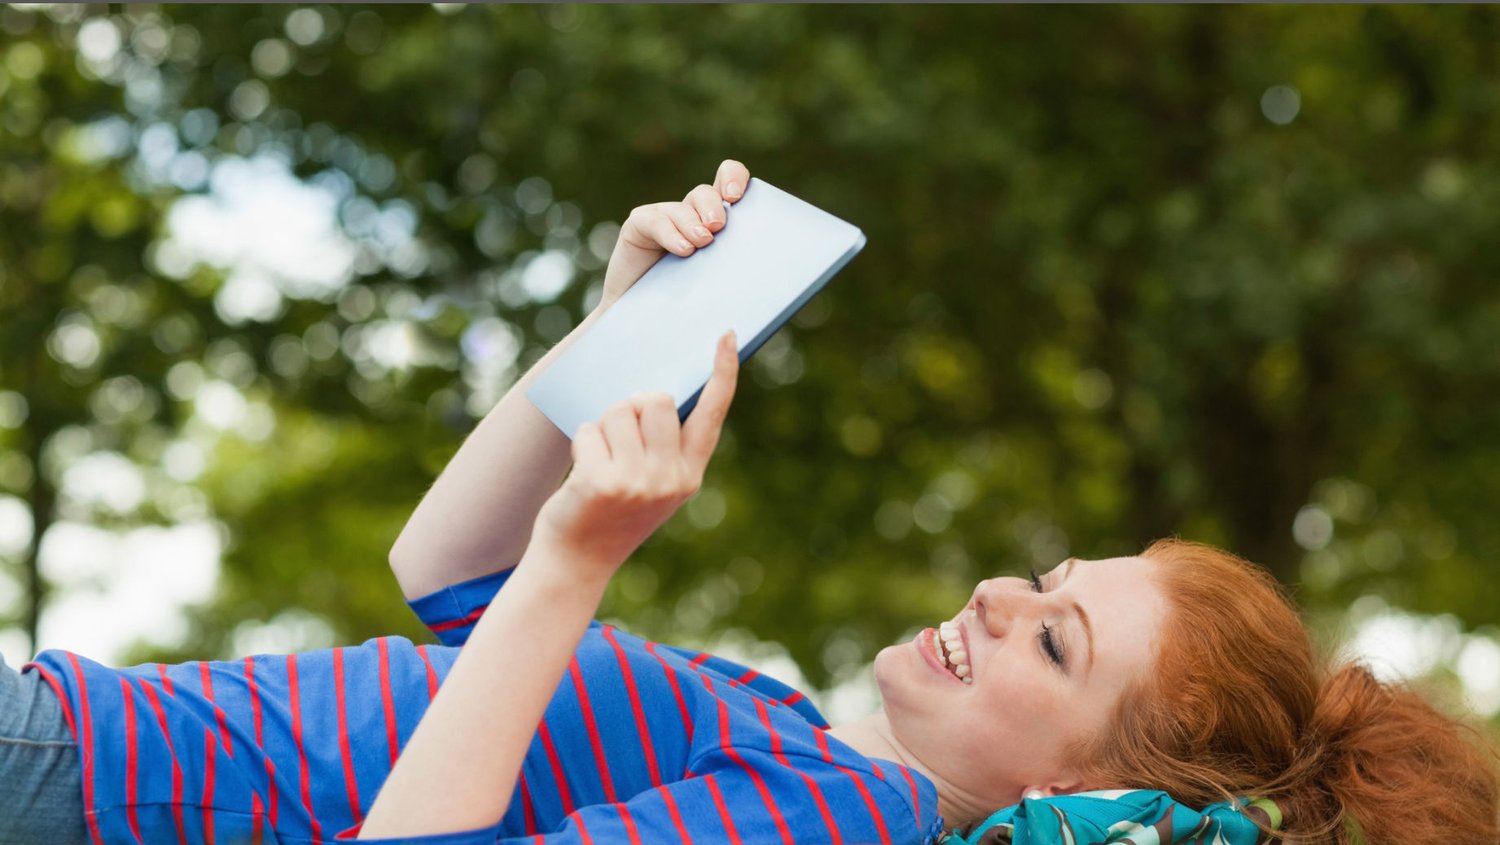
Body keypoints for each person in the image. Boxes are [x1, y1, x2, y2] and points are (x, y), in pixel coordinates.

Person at [4, 161, 1496, 845]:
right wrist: (613, 339)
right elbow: (451, 574)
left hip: (82, 777)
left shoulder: (827, 814)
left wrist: (583, 559)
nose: (1000, 596)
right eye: (1050, 574)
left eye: (1058, 644)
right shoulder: (779, 730)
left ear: (1085, 791)